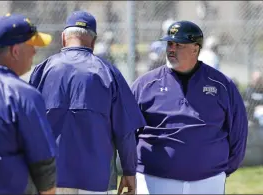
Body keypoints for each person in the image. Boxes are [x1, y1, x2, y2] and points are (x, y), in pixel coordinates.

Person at [29, 10, 146, 194]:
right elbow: (125, 132)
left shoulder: (43, 70)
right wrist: (129, 171)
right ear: (93, 41)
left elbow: (29, 126)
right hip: (95, 179)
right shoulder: (108, 72)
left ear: (63, 38)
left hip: (51, 177)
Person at [131, 20, 248, 194]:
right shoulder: (144, 85)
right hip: (154, 179)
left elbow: (238, 134)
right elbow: (127, 133)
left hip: (208, 181)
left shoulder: (222, 85)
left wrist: (219, 170)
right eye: (169, 43)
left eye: (178, 44)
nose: (171, 49)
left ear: (195, 48)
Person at [0, 13, 57, 194]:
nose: (35, 52)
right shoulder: (24, 95)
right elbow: (43, 164)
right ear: (15, 51)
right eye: (31, 46)